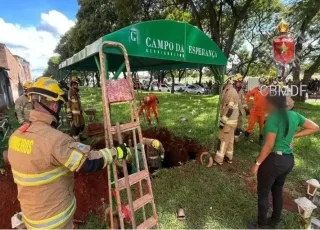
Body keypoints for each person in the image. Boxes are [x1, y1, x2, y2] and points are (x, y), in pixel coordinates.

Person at [8, 77, 130, 229]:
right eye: (59, 105)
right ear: (53, 105)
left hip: (32, 219)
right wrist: (117, 152)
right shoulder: (55, 141)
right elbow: (89, 162)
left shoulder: (16, 136)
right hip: (56, 222)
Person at [249, 89, 319, 229]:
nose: (264, 103)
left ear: (272, 103)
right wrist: (294, 136)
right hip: (288, 161)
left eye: (265, 101)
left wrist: (257, 163)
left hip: (273, 161)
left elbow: (268, 145)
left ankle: (261, 225)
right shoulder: (294, 115)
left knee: (263, 193)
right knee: (277, 189)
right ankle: (275, 221)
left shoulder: (273, 119)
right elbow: (314, 127)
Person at [214, 75, 239, 165]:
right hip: (231, 122)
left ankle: (219, 159)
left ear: (225, 82)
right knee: (230, 140)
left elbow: (229, 109)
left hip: (228, 122)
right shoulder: (228, 90)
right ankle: (229, 157)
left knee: (223, 140)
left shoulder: (230, 92)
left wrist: (222, 121)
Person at [245, 77, 268, 145]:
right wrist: (250, 103)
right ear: (259, 83)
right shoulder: (255, 90)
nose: (262, 84)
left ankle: (261, 137)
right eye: (261, 83)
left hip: (263, 111)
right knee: (251, 123)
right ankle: (248, 135)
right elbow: (247, 96)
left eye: (263, 83)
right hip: (254, 111)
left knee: (262, 126)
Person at [67, 76, 85, 141]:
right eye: (75, 83)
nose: (77, 85)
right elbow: (68, 102)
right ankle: (75, 140)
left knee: (82, 125)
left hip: (79, 112)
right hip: (74, 114)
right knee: (76, 127)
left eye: (77, 84)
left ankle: (80, 137)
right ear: (72, 84)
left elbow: (78, 102)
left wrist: (81, 109)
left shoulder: (76, 92)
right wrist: (69, 113)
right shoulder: (70, 91)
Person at [233, 73, 249, 142]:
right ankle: (231, 137)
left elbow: (243, 101)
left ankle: (236, 136)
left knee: (239, 123)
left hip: (239, 111)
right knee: (232, 124)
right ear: (235, 82)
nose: (239, 83)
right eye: (238, 82)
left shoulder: (241, 91)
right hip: (232, 111)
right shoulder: (231, 90)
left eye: (240, 82)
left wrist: (246, 109)